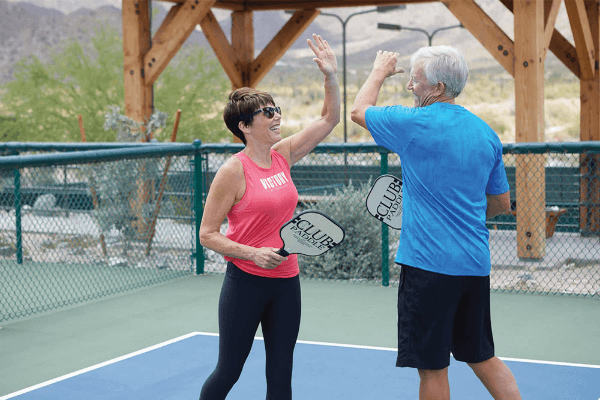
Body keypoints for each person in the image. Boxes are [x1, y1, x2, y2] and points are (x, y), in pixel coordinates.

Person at [351, 46, 521, 399]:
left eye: (416, 79)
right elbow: (501, 203)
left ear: (438, 87)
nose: (411, 86)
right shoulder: (486, 133)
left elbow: (357, 111)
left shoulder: (414, 124)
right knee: (483, 357)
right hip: (474, 266)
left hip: (427, 269)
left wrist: (381, 71)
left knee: (432, 368)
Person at [198, 34, 339, 400]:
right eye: (268, 113)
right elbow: (208, 234)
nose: (278, 117)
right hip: (245, 283)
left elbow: (329, 118)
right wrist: (251, 252)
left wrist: (330, 76)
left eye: (277, 110)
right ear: (244, 126)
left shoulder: (283, 155)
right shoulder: (232, 171)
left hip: (286, 281)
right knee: (229, 370)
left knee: (281, 371)